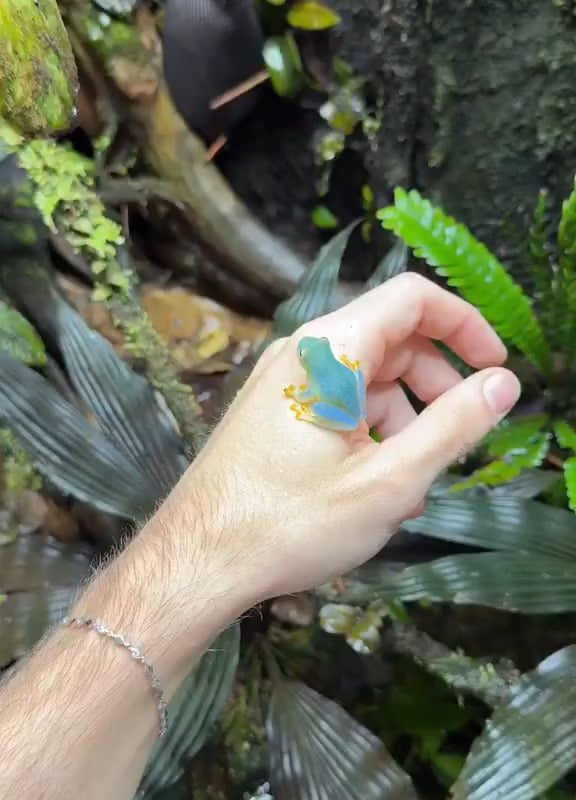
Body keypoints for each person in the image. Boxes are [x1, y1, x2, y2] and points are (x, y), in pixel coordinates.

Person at [0, 274, 520, 800]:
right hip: (337, 393)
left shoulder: (329, 370)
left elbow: (322, 385)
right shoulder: (331, 366)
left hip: (337, 401)